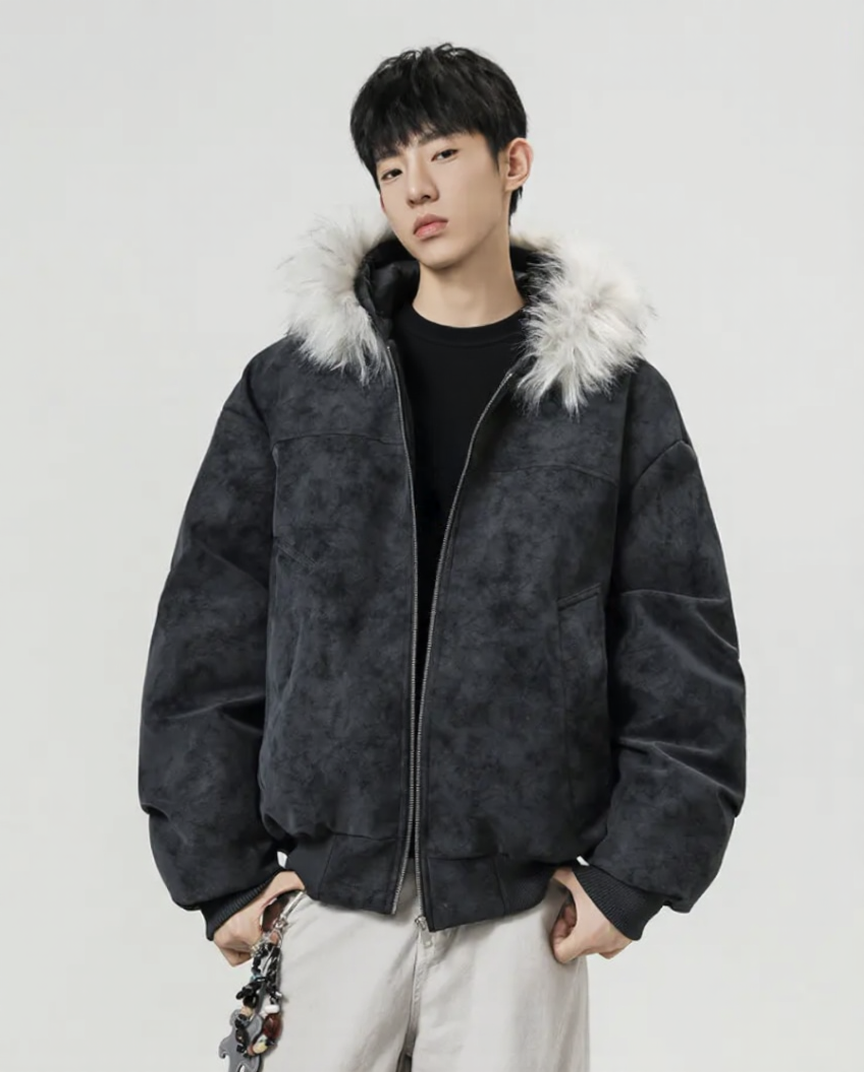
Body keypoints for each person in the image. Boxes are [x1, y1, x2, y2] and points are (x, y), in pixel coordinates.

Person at [138, 42, 747, 1072]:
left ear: (513, 162)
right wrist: (221, 871)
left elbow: (682, 652)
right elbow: (207, 637)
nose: (414, 187)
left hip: (522, 915)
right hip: (329, 902)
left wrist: (633, 874)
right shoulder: (293, 391)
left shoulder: (613, 404)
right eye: (389, 168)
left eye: (443, 153)